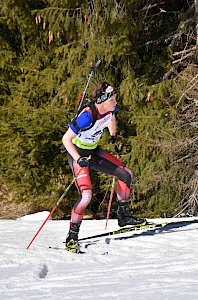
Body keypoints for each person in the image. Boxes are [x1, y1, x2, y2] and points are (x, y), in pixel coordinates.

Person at [62, 82, 145, 253]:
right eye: (112, 99)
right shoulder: (87, 116)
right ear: (102, 100)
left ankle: (124, 216)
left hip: (93, 152)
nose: (116, 101)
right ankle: (72, 236)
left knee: (126, 174)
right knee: (86, 195)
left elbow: (111, 118)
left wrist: (113, 136)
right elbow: (66, 139)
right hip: (78, 154)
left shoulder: (109, 109)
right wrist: (78, 159)